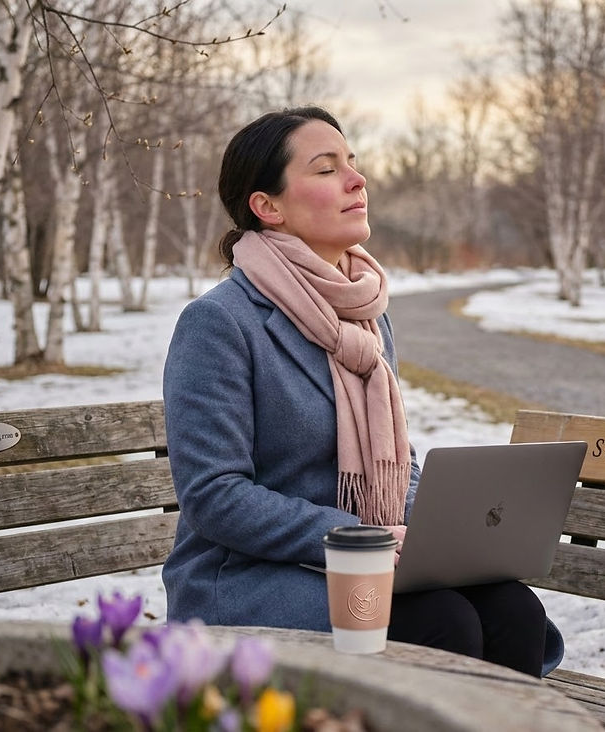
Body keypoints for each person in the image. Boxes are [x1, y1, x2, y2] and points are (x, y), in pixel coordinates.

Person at [161, 105, 564, 677]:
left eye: (352, 162)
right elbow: (214, 495)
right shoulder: (220, 323)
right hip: (252, 577)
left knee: (513, 611)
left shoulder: (366, 316)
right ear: (267, 207)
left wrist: (443, 534)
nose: (357, 179)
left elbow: (396, 464)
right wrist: (361, 539)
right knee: (442, 621)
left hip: (361, 561)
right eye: (327, 169)